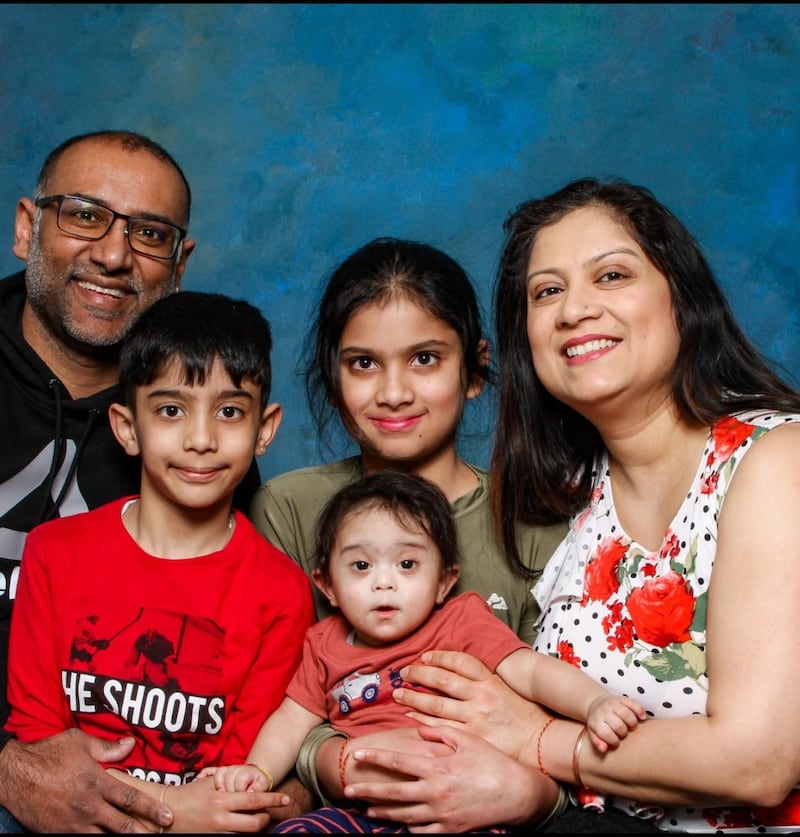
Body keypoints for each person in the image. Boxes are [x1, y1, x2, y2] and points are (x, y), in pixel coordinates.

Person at [327, 178, 800, 833]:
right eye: (548, 291)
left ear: (682, 297)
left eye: (611, 275)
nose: (575, 309)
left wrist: (538, 739)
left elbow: (757, 763)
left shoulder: (775, 459)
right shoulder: (569, 498)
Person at [247, 237, 566, 814]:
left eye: (425, 359)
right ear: (333, 378)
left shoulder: (536, 520)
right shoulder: (288, 508)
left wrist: (531, 796)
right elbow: (286, 708)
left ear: (475, 369)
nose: (393, 394)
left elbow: (558, 724)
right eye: (363, 364)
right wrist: (340, 760)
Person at [5, 290, 316, 832]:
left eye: (229, 412)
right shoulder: (54, 551)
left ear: (264, 430)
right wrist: (166, 802)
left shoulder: (281, 592)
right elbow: (38, 743)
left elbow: (236, 779)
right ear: (127, 428)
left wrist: (178, 812)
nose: (201, 439)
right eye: (171, 410)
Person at [205, 470, 644, 833]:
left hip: (465, 805)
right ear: (327, 586)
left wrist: (593, 703)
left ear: (443, 582)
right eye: (361, 566)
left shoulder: (460, 621)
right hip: (362, 810)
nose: (384, 582)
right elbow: (290, 721)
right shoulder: (323, 644)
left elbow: (531, 672)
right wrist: (259, 772)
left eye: (407, 564)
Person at [0, 129, 198, 833]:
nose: (114, 256)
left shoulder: (199, 426)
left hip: (129, 781)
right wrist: (9, 770)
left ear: (179, 264)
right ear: (28, 228)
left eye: (150, 234)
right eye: (84, 215)